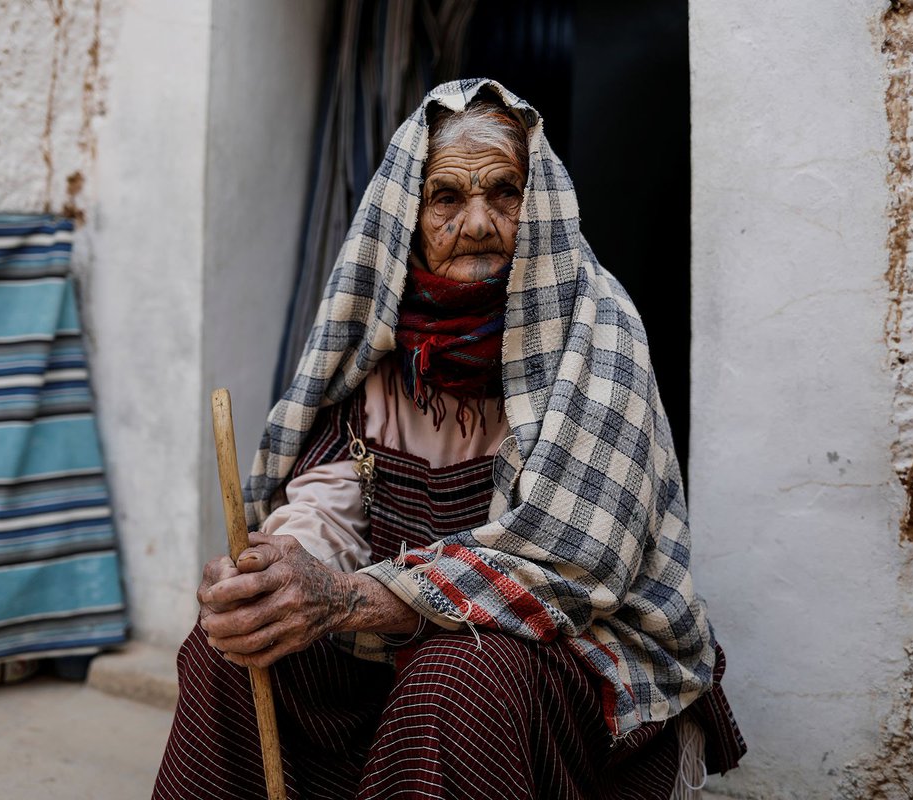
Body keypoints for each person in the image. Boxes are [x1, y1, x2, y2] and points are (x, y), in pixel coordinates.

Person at [153, 78, 744, 800]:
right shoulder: (383, 336)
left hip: (570, 655)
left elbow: (572, 566)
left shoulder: (596, 330)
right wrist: (283, 574)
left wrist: (343, 600)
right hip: (398, 644)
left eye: (503, 192)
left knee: (457, 680)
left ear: (537, 206)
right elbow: (332, 503)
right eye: (447, 198)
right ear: (410, 215)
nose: (478, 223)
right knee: (238, 653)